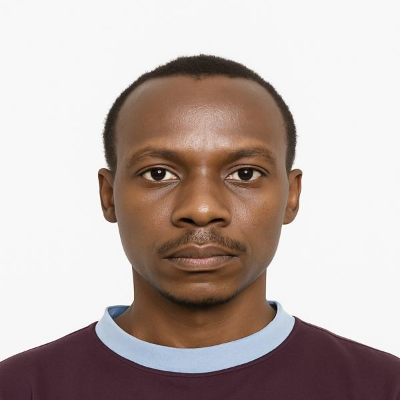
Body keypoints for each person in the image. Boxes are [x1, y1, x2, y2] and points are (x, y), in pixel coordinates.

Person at [1, 54, 399, 399]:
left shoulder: (383, 387)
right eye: (158, 173)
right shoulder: (20, 388)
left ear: (291, 196)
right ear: (109, 196)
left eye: (245, 173)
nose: (202, 209)